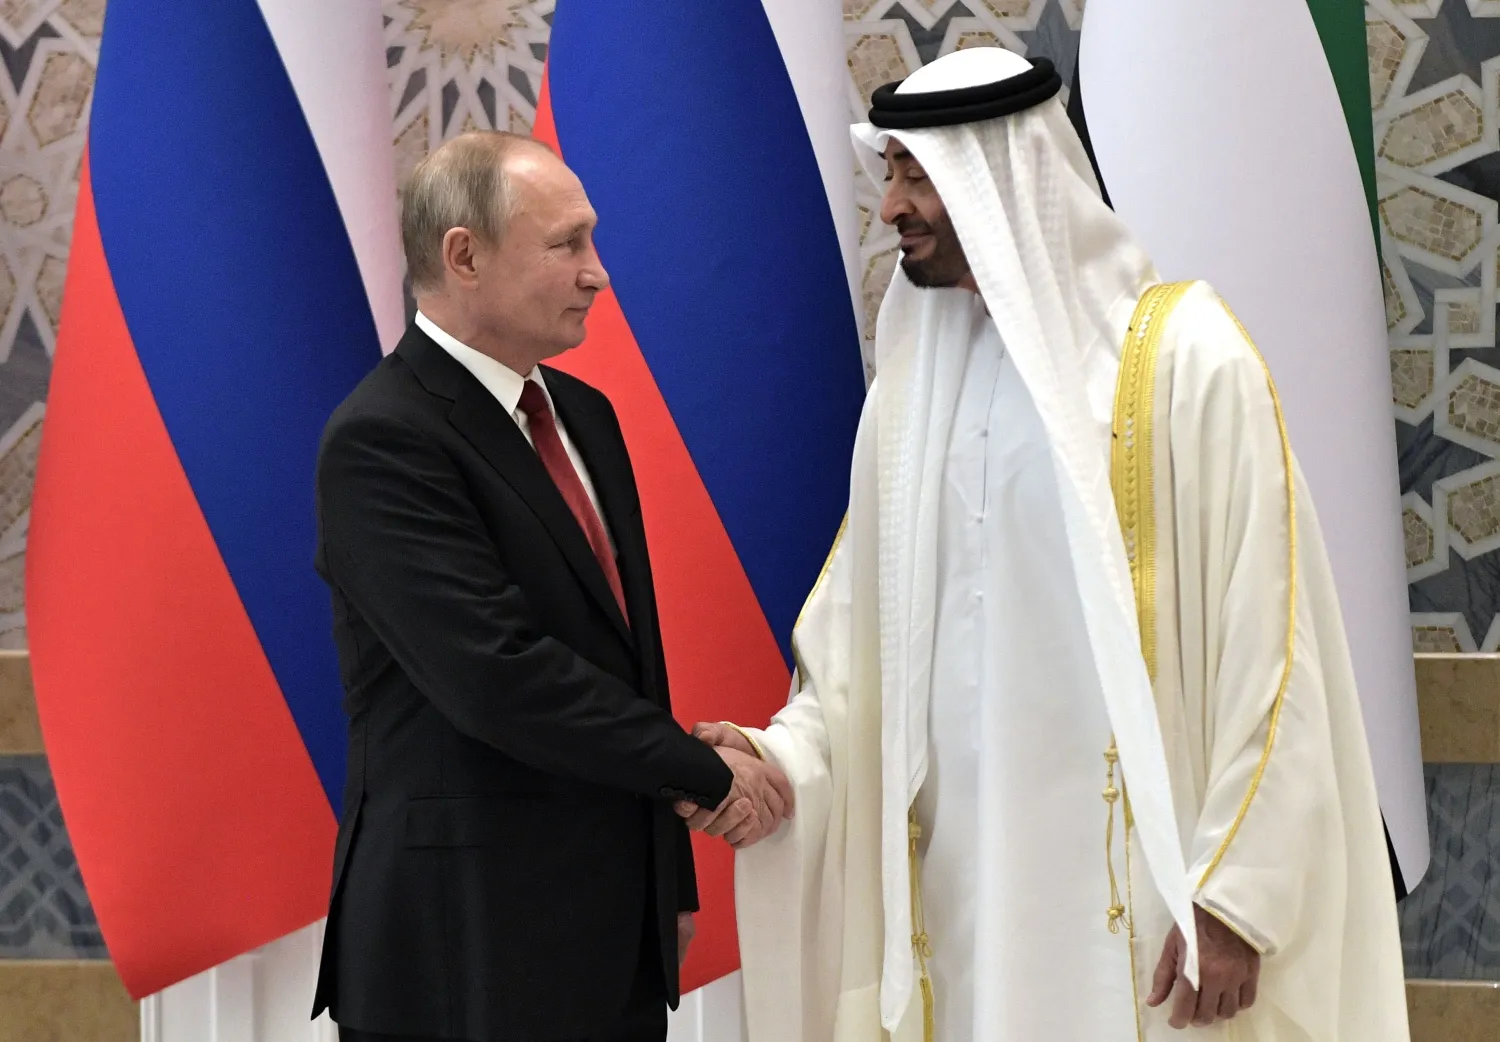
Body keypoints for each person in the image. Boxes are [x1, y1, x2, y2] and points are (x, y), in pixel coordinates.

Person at [689, 48, 1410, 1041]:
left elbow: (1272, 647)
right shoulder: (910, 394)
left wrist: (1240, 891)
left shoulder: (1184, 362)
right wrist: (783, 758)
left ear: (1001, 175)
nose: (891, 205)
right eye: (888, 172)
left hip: (1156, 907)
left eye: (914, 175)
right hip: (961, 900)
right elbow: (859, 653)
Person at [310, 131, 793, 1042]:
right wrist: (702, 774)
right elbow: (497, 674)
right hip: (464, 949)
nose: (597, 273)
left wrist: (667, 883)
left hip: (610, 939)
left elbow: (623, 664)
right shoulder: (383, 439)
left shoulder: (585, 415)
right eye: (567, 244)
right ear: (465, 256)